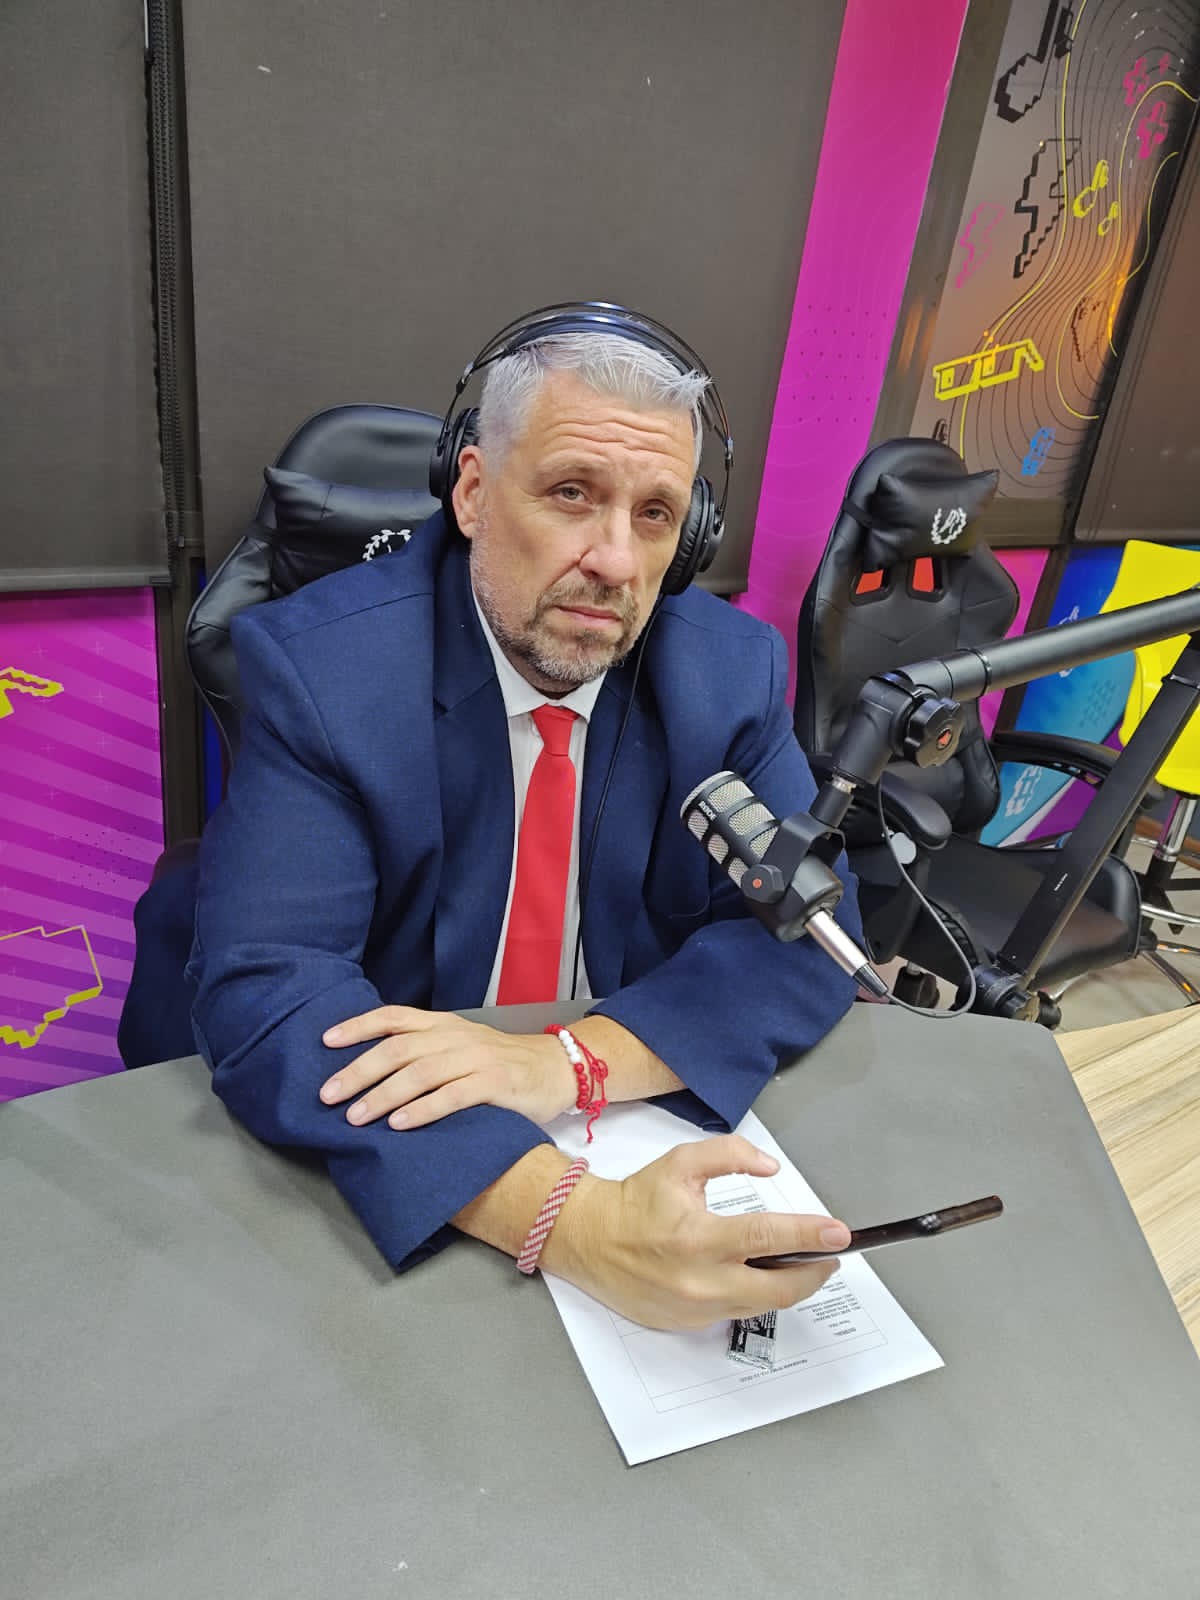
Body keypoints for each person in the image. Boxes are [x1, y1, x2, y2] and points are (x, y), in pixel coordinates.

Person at [188, 306, 864, 1331]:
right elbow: (274, 991)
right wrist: (573, 1221)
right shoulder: (327, 671)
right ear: (470, 491)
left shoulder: (725, 674)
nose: (615, 562)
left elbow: (813, 929)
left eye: (655, 514)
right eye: (571, 493)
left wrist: (569, 1061)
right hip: (401, 1177)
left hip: (615, 1112)